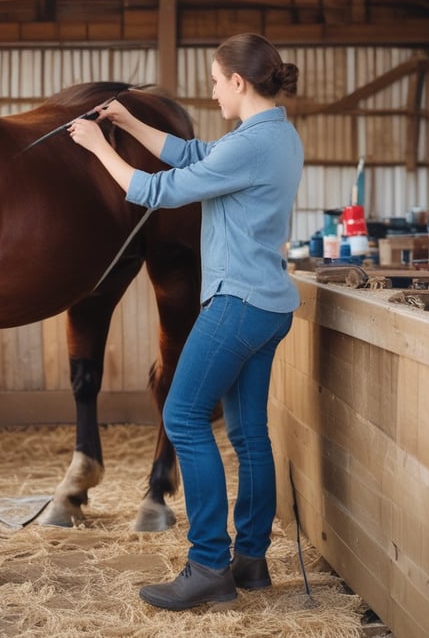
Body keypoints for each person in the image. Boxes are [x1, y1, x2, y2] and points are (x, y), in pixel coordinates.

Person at [67, 32, 303, 611]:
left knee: (182, 415)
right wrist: (129, 121)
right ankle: (249, 561)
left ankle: (207, 565)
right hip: (268, 303)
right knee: (248, 435)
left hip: (237, 303)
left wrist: (98, 147)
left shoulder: (252, 144)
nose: (213, 92)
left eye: (217, 82)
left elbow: (157, 190)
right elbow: (194, 156)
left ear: (239, 81)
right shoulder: (273, 135)